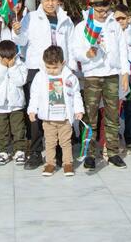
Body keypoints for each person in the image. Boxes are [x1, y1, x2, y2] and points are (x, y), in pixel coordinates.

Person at [15, 0, 74, 169]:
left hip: (59, 70)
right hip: (37, 69)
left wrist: (70, 69)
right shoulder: (30, 17)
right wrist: (16, 31)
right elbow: (21, 41)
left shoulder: (66, 19)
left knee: (58, 109)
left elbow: (70, 46)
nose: (50, 3)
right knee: (36, 112)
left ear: (58, 1)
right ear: (40, 0)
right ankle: (34, 151)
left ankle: (57, 150)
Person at [71, 0, 127, 170]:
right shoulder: (82, 27)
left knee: (112, 115)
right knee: (91, 116)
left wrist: (124, 72)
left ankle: (112, 152)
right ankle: (89, 154)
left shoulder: (114, 25)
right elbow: (75, 51)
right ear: (91, 6)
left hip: (111, 73)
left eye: (106, 9)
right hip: (92, 74)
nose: (103, 13)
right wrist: (87, 54)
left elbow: (123, 49)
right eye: (99, 10)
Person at [27, 46, 84, 177]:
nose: (51, 71)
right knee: (50, 142)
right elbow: (34, 95)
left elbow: (76, 94)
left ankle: (68, 163)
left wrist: (78, 109)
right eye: (48, 67)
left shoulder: (70, 77)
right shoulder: (40, 77)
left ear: (63, 63)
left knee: (66, 142)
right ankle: (50, 164)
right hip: (48, 119)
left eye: (55, 68)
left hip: (64, 118)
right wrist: (32, 110)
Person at [0, 39, 28, 165]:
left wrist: (13, 67)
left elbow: (21, 81)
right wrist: (3, 67)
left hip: (16, 104)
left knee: (18, 128)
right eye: (5, 58)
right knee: (1, 129)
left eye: (11, 57)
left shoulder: (19, 64)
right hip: (0, 105)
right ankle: (2, 151)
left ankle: (19, 150)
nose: (9, 60)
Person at [113, 4, 131, 149]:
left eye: (123, 18)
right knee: (113, 107)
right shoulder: (110, 33)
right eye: (117, 18)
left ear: (129, 19)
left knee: (129, 107)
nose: (120, 21)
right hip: (114, 75)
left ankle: (129, 134)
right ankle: (114, 133)